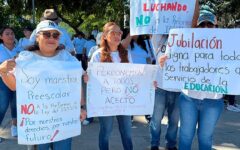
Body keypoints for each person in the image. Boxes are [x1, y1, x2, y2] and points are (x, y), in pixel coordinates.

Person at [0, 20, 86, 149]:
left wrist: (82, 106)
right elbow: (14, 86)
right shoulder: (25, 58)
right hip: (38, 122)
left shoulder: (67, 57)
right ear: (37, 37)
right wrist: (3, 71)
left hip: (64, 119)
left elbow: (76, 84)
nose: (51, 38)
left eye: (55, 35)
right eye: (46, 34)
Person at [159, 5, 223, 150]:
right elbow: (174, 64)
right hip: (189, 99)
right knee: (186, 136)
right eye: (202, 24)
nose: (206, 27)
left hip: (213, 101)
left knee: (205, 138)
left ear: (215, 26)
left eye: (209, 24)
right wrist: (165, 62)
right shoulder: (186, 44)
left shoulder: (225, 46)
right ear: (197, 27)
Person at [150, 1, 199, 149]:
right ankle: (154, 144)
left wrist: (195, 3)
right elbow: (153, 16)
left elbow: (193, 20)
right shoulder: (159, 38)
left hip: (179, 90)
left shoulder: (187, 39)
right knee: (156, 120)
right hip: (160, 87)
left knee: (174, 121)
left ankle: (171, 144)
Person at [85, 22, 133, 150]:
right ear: (105, 36)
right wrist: (87, 77)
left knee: (127, 133)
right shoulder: (97, 55)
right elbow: (92, 78)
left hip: (124, 100)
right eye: (113, 32)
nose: (117, 35)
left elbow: (134, 77)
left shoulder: (127, 54)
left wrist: (148, 82)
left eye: (119, 33)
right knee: (106, 131)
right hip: (105, 101)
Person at [0, 26, 22, 141]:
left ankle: (15, 126)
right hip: (2, 82)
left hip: (17, 80)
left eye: (12, 33)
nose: (10, 36)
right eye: (7, 34)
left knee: (15, 104)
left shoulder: (20, 49)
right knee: (2, 106)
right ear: (1, 37)